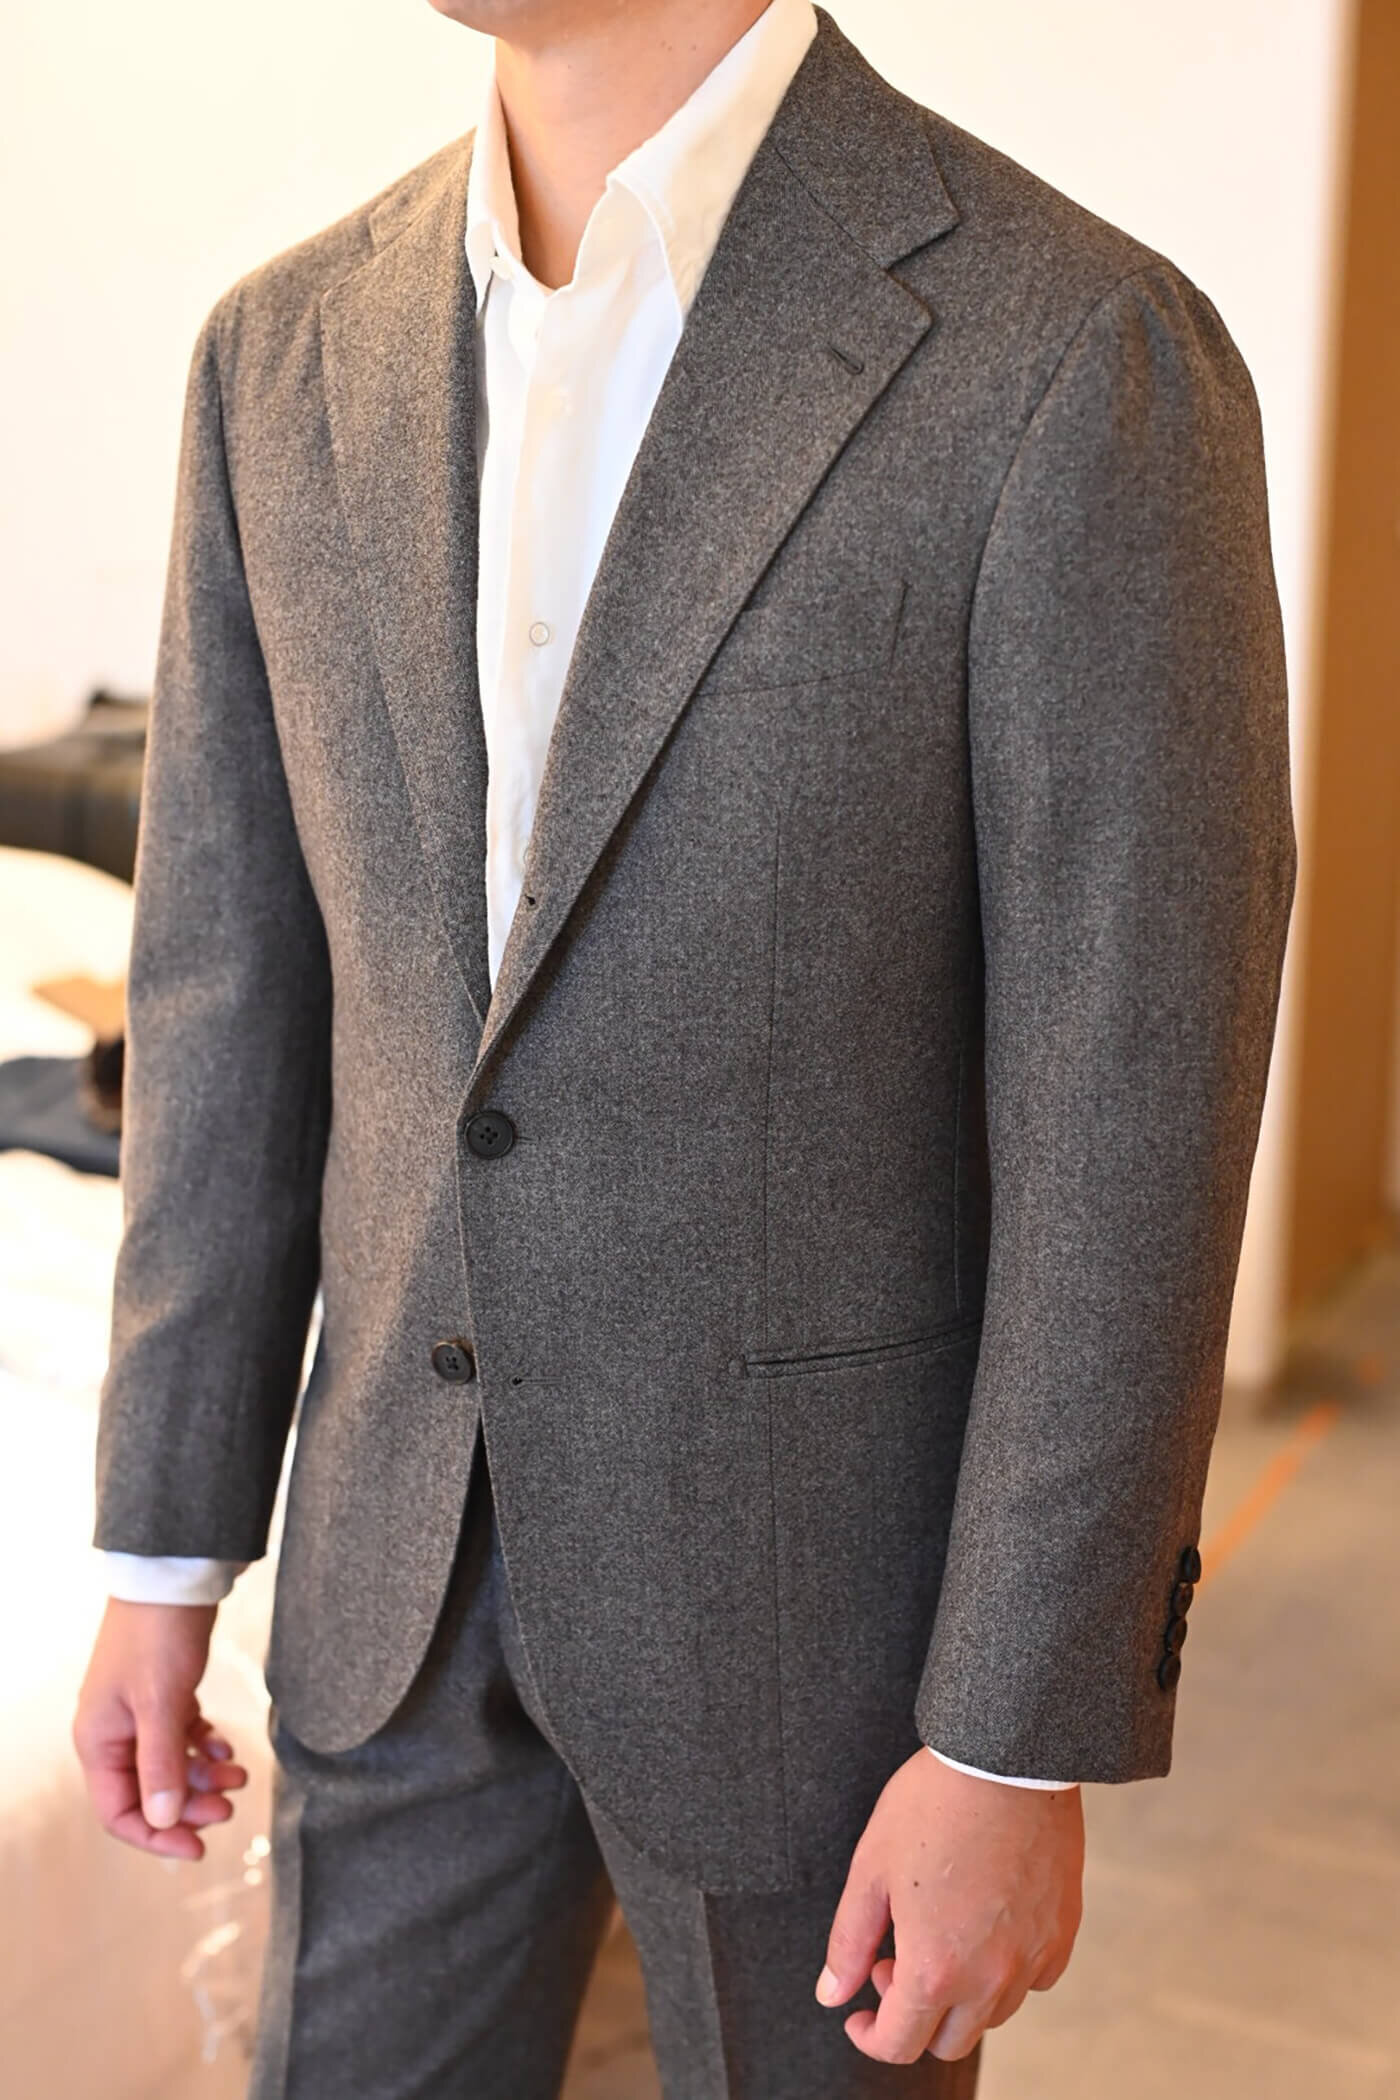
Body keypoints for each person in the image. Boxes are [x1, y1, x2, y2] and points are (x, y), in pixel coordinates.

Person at [71, 1, 1296, 2092]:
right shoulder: (277, 356)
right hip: (390, 1591)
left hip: (822, 1629)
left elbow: (1134, 1099)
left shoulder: (1074, 347)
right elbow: (226, 991)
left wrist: (1014, 1734)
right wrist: (164, 1549)